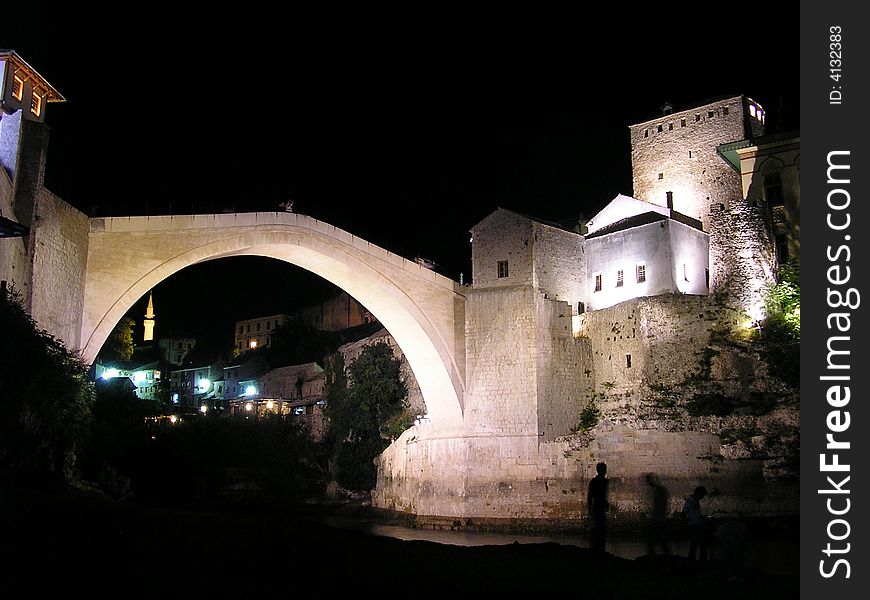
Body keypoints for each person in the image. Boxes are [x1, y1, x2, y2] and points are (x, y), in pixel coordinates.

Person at [681, 485, 710, 564]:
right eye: (702, 496)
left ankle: (695, 562)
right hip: (694, 526)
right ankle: (695, 562)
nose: (702, 498)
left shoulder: (695, 502)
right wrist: (689, 522)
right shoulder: (690, 502)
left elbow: (693, 514)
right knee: (697, 545)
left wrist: (700, 517)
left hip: (697, 526)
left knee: (697, 545)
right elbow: (683, 513)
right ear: (698, 494)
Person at [587, 462, 609, 554]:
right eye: (602, 470)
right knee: (599, 528)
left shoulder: (603, 481)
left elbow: (601, 495)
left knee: (600, 528)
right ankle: (597, 549)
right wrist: (589, 508)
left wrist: (606, 503)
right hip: (597, 507)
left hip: (600, 506)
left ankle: (599, 549)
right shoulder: (596, 482)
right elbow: (591, 496)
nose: (603, 472)